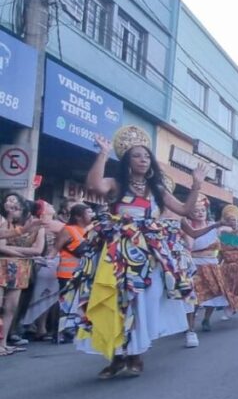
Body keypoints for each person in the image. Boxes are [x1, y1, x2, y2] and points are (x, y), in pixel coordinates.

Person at [60, 126, 207, 378]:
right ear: (127, 160)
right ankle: (116, 357)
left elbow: (183, 210)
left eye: (146, 156)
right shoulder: (117, 185)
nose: (143, 159)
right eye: (137, 155)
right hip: (116, 253)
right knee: (116, 302)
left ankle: (137, 354)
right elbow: (94, 185)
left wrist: (196, 186)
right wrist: (103, 154)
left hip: (147, 254)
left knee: (142, 301)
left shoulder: (157, 189)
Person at [1, 196, 45, 354]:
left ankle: (3, 343)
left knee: (11, 307)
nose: (11, 206)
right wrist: (24, 254)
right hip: (5, 265)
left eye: (16, 205)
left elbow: (38, 250)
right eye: (8, 202)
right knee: (1, 306)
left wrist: (18, 253)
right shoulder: (4, 221)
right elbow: (1, 246)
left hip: (21, 268)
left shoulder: (35, 227)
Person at [19, 201, 65, 342]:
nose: (52, 205)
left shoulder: (51, 223)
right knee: (42, 296)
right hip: (47, 262)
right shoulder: (48, 224)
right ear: (44, 212)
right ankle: (33, 327)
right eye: (48, 205)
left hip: (48, 262)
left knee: (45, 297)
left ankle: (40, 328)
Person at [187, 196, 229, 335]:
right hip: (195, 267)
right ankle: (190, 327)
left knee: (214, 294)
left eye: (202, 210)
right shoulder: (188, 228)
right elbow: (189, 246)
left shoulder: (215, 227)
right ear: (190, 213)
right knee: (194, 298)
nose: (200, 213)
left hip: (212, 265)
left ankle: (206, 319)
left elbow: (230, 232)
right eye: (196, 210)